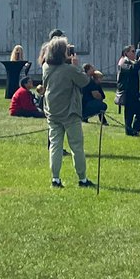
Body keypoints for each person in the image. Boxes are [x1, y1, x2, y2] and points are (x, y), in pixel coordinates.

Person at [40, 36, 93, 188]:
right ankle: (82, 179)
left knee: (55, 145)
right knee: (76, 145)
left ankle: (55, 178)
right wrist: (76, 66)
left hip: (52, 112)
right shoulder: (70, 70)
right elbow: (84, 81)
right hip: (70, 112)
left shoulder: (46, 67)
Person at [117, 45, 140, 136]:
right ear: (126, 53)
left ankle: (135, 130)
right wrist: (139, 61)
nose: (135, 53)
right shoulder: (123, 61)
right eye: (133, 51)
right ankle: (129, 131)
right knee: (129, 113)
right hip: (128, 92)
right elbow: (131, 70)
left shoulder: (134, 62)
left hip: (137, 92)